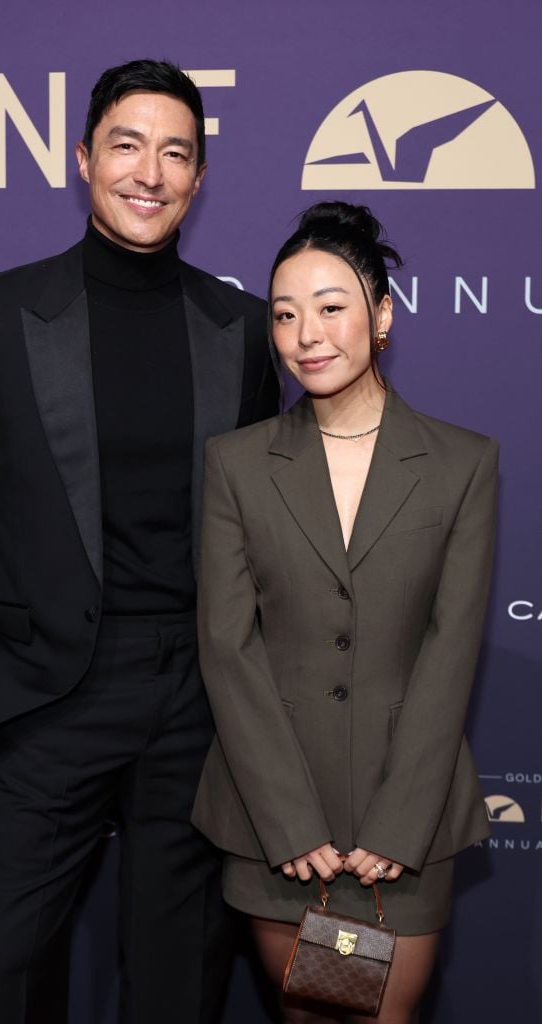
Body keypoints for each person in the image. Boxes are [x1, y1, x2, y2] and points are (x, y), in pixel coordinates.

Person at [0, 59, 277, 1024]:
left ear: (199, 177)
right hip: (51, 692)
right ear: (82, 159)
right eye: (126, 145)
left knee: (177, 981)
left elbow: (267, 529)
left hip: (196, 700)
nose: (150, 172)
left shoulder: (238, 329)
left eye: (175, 153)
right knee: (8, 974)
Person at [192, 202, 497, 1023]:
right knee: (310, 1016)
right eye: (284, 314)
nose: (306, 335)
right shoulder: (236, 464)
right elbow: (227, 646)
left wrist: (400, 825)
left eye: (330, 307)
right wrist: (287, 822)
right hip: (278, 826)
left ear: (381, 315)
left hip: (407, 824)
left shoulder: (461, 464)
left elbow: (450, 650)